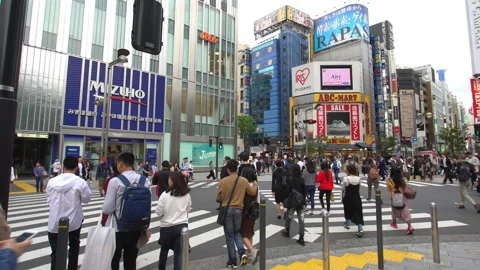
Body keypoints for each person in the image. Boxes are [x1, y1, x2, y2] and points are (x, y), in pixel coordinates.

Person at [102, 152, 151, 270]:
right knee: (131, 260)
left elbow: (107, 208)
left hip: (118, 228)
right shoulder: (144, 180)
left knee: (114, 258)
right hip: (137, 227)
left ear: (120, 164)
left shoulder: (115, 181)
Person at [47, 156, 92, 270]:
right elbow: (86, 199)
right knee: (73, 247)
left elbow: (49, 199)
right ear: (77, 168)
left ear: (63, 167)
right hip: (74, 221)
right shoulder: (80, 182)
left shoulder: (52, 182)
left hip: (54, 222)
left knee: (56, 252)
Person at [216, 159, 258, 268]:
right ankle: (242, 253)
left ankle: (232, 261)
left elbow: (218, 198)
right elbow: (252, 192)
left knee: (229, 236)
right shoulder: (243, 181)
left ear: (228, 169)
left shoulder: (223, 181)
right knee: (237, 233)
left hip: (227, 209)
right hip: (239, 209)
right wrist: (254, 184)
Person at [156, 171, 191, 270]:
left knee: (164, 250)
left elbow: (159, 211)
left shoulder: (165, 194)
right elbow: (188, 208)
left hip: (167, 226)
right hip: (181, 226)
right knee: (178, 252)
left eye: (169, 179)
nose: (168, 180)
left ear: (173, 181)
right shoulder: (186, 194)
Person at [238, 153, 259, 265]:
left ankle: (252, 251)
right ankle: (250, 256)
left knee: (242, 234)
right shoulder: (256, 185)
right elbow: (258, 200)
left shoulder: (243, 185)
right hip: (254, 212)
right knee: (249, 233)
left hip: (244, 211)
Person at [281, 164, 307, 246]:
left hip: (292, 201)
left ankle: (287, 231)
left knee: (289, 216)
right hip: (300, 201)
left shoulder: (290, 179)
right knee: (301, 219)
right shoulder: (302, 179)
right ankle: (301, 237)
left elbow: (287, 190)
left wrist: (285, 200)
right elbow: (304, 191)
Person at [387, 167, 414, 234]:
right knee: (405, 210)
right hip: (402, 196)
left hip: (394, 196)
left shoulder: (389, 180)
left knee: (394, 209)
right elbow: (405, 187)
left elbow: (389, 189)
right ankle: (409, 226)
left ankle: (394, 223)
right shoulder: (402, 179)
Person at [342, 164, 364, 238]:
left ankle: (347, 223)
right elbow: (359, 188)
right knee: (358, 212)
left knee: (347, 211)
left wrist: (342, 198)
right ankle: (360, 228)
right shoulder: (358, 179)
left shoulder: (346, 179)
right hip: (356, 198)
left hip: (348, 198)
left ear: (348, 170)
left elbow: (343, 189)